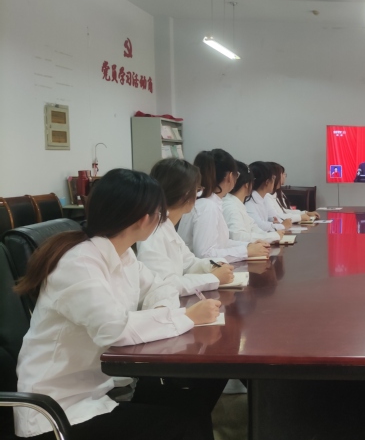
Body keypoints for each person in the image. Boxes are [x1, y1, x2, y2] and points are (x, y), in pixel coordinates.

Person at [13, 169, 223, 440]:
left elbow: (161, 286)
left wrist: (162, 312)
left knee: (193, 404)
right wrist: (186, 317)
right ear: (145, 219)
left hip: (96, 395)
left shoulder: (123, 256)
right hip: (56, 413)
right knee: (183, 425)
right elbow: (114, 330)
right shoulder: (79, 264)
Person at [137, 158, 235, 296]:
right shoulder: (152, 233)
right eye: (197, 190)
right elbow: (165, 285)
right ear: (186, 194)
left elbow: (189, 263)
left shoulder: (166, 225)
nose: (198, 195)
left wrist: (214, 265)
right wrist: (213, 278)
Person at [178, 149, 270, 262]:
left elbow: (221, 243)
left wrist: (248, 246)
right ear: (230, 176)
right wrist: (246, 251)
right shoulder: (207, 206)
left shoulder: (210, 201)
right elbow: (205, 254)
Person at [223, 161, 283, 243]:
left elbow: (253, 227)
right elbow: (238, 236)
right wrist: (272, 236)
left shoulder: (237, 203)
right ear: (247, 184)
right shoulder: (231, 206)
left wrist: (272, 236)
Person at [246, 161, 292, 233]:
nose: (275, 181)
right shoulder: (249, 201)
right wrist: (282, 226)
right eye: (273, 178)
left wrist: (275, 222)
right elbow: (259, 225)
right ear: (267, 182)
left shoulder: (264, 197)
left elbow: (273, 217)